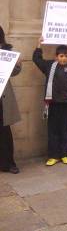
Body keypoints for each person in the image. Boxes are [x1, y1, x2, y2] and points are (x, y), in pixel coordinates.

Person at [0, 26, 21, 174]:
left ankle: (9, 163)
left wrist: (18, 63)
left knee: (4, 130)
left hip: (2, 97)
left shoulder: (6, 51)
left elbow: (15, 72)